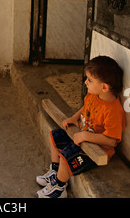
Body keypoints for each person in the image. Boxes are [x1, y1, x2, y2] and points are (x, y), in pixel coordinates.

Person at [36, 56, 125, 198]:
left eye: (90, 80)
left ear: (104, 87)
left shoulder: (113, 110)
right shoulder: (94, 95)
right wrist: (74, 118)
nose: (85, 82)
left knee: (66, 157)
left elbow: (112, 141)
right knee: (55, 136)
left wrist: (86, 136)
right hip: (83, 137)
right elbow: (86, 107)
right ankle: (55, 171)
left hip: (97, 149)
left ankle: (59, 188)